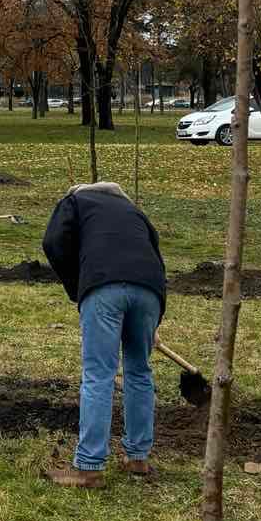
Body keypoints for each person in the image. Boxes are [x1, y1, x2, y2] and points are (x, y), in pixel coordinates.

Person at [41, 180, 168, 487]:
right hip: (150, 289)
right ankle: (137, 458)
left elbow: (53, 242)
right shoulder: (133, 211)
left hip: (104, 287)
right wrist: (154, 320)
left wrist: (78, 287)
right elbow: (155, 256)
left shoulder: (75, 201)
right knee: (139, 372)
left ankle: (89, 467)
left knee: (99, 374)